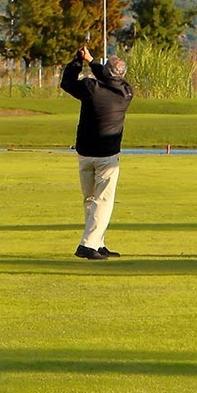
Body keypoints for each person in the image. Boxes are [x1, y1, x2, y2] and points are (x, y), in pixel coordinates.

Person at [60, 45, 133, 260]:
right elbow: (109, 77)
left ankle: (98, 243)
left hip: (85, 153)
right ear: (122, 76)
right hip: (107, 156)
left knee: (91, 200)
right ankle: (87, 245)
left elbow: (67, 82)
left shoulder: (90, 88)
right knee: (103, 201)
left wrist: (80, 60)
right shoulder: (126, 92)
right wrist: (92, 61)